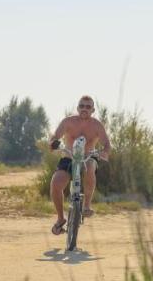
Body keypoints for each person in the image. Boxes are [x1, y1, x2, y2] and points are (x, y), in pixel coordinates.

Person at [47, 96, 112, 235]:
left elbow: (106, 143)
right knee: (55, 184)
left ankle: (86, 206)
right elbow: (55, 136)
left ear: (93, 110)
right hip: (69, 157)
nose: (84, 109)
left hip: (88, 156)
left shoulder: (97, 125)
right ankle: (60, 219)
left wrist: (105, 152)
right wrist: (52, 143)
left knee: (90, 167)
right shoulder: (68, 122)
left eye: (88, 107)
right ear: (77, 108)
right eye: (81, 106)